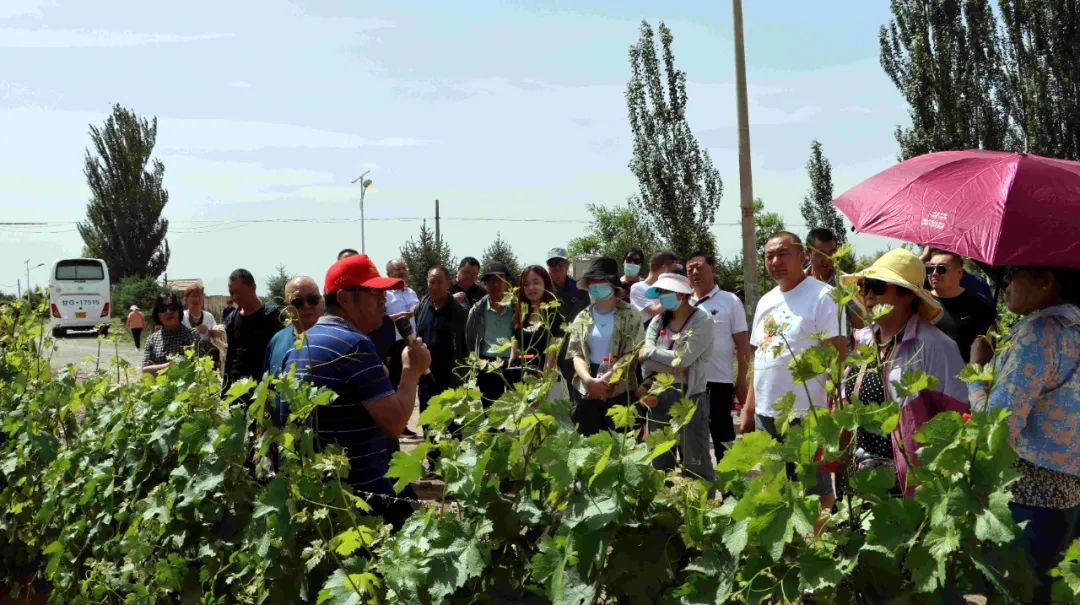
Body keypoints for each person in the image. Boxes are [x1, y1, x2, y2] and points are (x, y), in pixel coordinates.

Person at [282, 253, 431, 528]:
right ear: (345, 298)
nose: (383, 299)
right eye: (374, 292)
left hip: (325, 499)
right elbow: (394, 423)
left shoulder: (302, 344)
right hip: (363, 504)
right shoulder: (354, 345)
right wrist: (412, 370)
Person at [969, 265, 1080, 604]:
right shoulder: (1074, 326)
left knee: (1014, 593)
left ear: (1046, 281)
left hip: (1026, 498)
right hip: (1068, 494)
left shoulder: (1039, 333)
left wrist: (977, 370)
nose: (1005, 284)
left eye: (1012, 275)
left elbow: (998, 426)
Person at [840, 248, 968, 497]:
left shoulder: (934, 345)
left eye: (878, 286)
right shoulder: (865, 340)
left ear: (908, 295)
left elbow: (956, 418)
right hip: (858, 476)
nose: (868, 294)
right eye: (865, 286)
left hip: (906, 485)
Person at [741, 231, 845, 508]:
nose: (775, 261)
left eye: (783, 254)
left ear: (803, 256)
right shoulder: (765, 301)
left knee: (814, 490)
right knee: (774, 488)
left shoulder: (824, 296)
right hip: (767, 413)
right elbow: (759, 359)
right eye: (769, 256)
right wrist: (749, 408)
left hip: (807, 413)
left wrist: (834, 416)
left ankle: (819, 536)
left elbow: (838, 358)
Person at [638, 272, 715, 481]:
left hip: (689, 397)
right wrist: (670, 363)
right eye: (660, 292)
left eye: (666, 292)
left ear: (681, 294)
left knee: (695, 461)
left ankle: (702, 501)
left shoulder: (703, 320)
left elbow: (683, 359)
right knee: (659, 461)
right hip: (657, 394)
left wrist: (652, 353)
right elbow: (645, 361)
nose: (662, 296)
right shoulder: (658, 320)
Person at [565, 257, 644, 435]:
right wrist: (589, 381)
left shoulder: (630, 314)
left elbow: (632, 351)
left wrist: (608, 377)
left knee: (620, 441)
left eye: (600, 281)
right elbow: (576, 353)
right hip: (587, 387)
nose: (595, 285)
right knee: (589, 442)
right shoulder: (583, 316)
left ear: (613, 285)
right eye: (592, 281)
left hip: (619, 384)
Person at [686, 250, 751, 462]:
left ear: (712, 269)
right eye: (690, 269)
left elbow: (743, 344)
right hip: (687, 381)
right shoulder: (682, 302)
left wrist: (742, 380)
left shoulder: (730, 301)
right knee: (690, 437)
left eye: (699, 267)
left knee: (723, 436)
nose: (694, 272)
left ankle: (730, 480)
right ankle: (696, 479)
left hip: (719, 381)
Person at [415, 265, 468, 416]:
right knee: (429, 424)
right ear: (427, 282)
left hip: (451, 381)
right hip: (427, 378)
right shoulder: (422, 308)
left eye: (440, 282)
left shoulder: (460, 313)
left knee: (453, 425)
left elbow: (465, 348)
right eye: (432, 282)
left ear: (448, 284)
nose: (435, 286)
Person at [926, 249, 996, 363]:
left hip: (967, 371)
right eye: (930, 268)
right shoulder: (920, 302)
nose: (934, 273)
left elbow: (988, 344)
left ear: (959, 273)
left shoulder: (979, 303)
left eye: (941, 269)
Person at [223, 269, 284, 391]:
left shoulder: (272, 316)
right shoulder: (232, 319)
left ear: (253, 287)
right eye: (231, 293)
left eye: (238, 292)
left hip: (264, 390)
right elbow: (230, 357)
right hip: (238, 391)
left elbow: (279, 354)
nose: (234, 297)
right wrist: (225, 391)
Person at [464, 262, 515, 405]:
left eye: (500, 279)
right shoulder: (477, 310)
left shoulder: (517, 307)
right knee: (491, 408)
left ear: (507, 282)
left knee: (516, 407)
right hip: (487, 363)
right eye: (491, 280)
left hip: (513, 362)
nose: (496, 284)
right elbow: (470, 338)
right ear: (485, 284)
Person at [265, 276, 323, 379]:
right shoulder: (277, 341)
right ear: (287, 306)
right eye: (297, 302)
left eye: (312, 299)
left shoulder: (338, 339)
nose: (306, 306)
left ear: (321, 299)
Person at [806, 228, 863, 330]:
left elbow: (860, 324)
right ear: (807, 254)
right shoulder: (797, 282)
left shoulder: (847, 282)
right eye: (820, 253)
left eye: (832, 252)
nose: (827, 258)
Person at [511, 265, 564, 375]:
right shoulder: (519, 314)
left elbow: (552, 354)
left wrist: (543, 380)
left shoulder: (554, 314)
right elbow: (514, 353)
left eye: (536, 283)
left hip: (545, 378)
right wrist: (510, 376)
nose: (531, 288)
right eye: (526, 284)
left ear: (545, 284)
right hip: (521, 377)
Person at [141, 293, 205, 376]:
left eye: (172, 307)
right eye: (162, 309)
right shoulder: (152, 339)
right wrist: (173, 365)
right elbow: (145, 370)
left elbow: (196, 366)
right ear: (157, 314)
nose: (168, 312)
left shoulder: (191, 335)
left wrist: (156, 368)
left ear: (179, 311)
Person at [630, 250, 678, 326]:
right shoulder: (637, 288)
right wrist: (675, 292)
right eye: (673, 270)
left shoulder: (665, 288)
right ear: (664, 268)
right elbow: (654, 311)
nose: (674, 273)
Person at [181, 284, 220, 353]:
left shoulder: (209, 317)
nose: (197, 299)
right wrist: (196, 330)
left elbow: (216, 338)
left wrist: (214, 333)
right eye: (194, 296)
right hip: (186, 355)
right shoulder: (181, 316)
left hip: (206, 356)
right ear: (186, 299)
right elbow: (177, 336)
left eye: (199, 296)